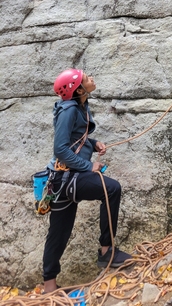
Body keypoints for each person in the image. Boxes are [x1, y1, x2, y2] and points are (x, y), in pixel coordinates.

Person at [42, 69, 131, 293]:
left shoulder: (80, 105)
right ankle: (106, 251)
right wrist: (88, 165)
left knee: (59, 232)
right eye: (86, 78)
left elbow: (74, 138)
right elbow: (60, 148)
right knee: (111, 189)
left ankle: (49, 286)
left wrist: (93, 143)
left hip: (63, 179)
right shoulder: (69, 109)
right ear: (78, 89)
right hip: (67, 177)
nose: (91, 78)